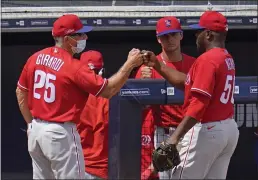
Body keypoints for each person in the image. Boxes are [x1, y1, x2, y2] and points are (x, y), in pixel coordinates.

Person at [16, 14, 143, 179]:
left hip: (37, 131)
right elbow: (109, 90)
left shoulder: (35, 58)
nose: (85, 37)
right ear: (68, 39)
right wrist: (130, 64)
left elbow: (20, 92)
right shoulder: (73, 66)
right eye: (80, 34)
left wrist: (30, 124)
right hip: (60, 133)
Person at [143, 11, 239, 179]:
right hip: (229, 129)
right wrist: (159, 66)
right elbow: (187, 82)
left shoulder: (206, 60)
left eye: (199, 31)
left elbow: (198, 105)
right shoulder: (226, 57)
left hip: (207, 130)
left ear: (208, 34)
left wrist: (174, 138)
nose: (196, 36)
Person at [135, 16, 196, 179]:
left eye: (174, 34)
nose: (170, 39)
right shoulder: (148, 67)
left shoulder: (195, 64)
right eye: (165, 36)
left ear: (181, 35)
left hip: (191, 131)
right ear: (158, 39)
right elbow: (139, 108)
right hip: (164, 133)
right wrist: (143, 87)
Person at [77, 50, 109, 179]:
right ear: (102, 71)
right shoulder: (111, 95)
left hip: (76, 166)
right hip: (101, 168)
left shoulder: (71, 97)